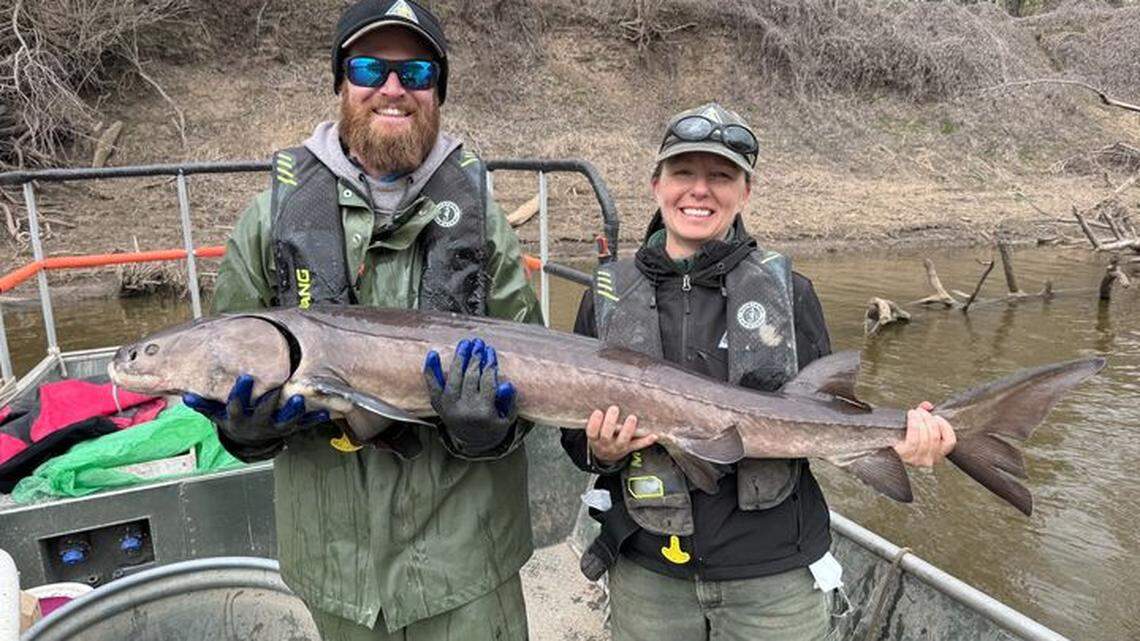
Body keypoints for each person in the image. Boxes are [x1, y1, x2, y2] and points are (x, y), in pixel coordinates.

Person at [183, 2, 541, 639]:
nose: (393, 88)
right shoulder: (270, 218)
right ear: (343, 83)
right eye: (370, 68)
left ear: (437, 92)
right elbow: (232, 370)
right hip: (336, 572)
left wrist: (489, 431)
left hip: (467, 564)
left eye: (417, 72)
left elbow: (537, 380)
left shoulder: (481, 219)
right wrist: (245, 432)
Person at [561, 103, 956, 641]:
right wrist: (601, 451)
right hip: (647, 571)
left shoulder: (790, 293)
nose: (699, 190)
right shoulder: (606, 295)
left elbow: (831, 414)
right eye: (683, 173)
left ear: (745, 192)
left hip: (774, 578)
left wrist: (903, 440)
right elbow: (574, 443)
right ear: (657, 185)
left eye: (721, 177)